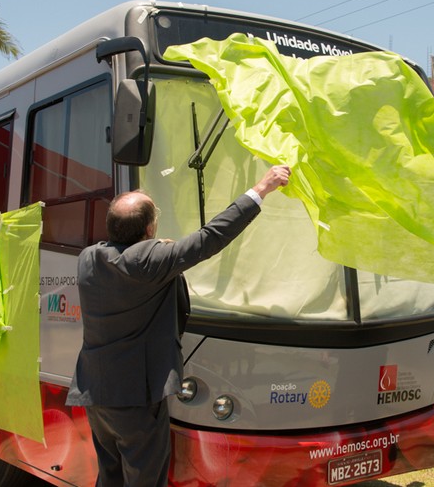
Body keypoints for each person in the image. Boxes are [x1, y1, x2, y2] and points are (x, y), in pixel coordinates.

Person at [66, 165, 291, 487]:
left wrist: (158, 248)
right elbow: (210, 237)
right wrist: (261, 189)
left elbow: (126, 257)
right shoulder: (151, 261)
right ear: (149, 229)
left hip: (95, 392)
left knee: (110, 476)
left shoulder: (89, 259)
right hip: (135, 398)